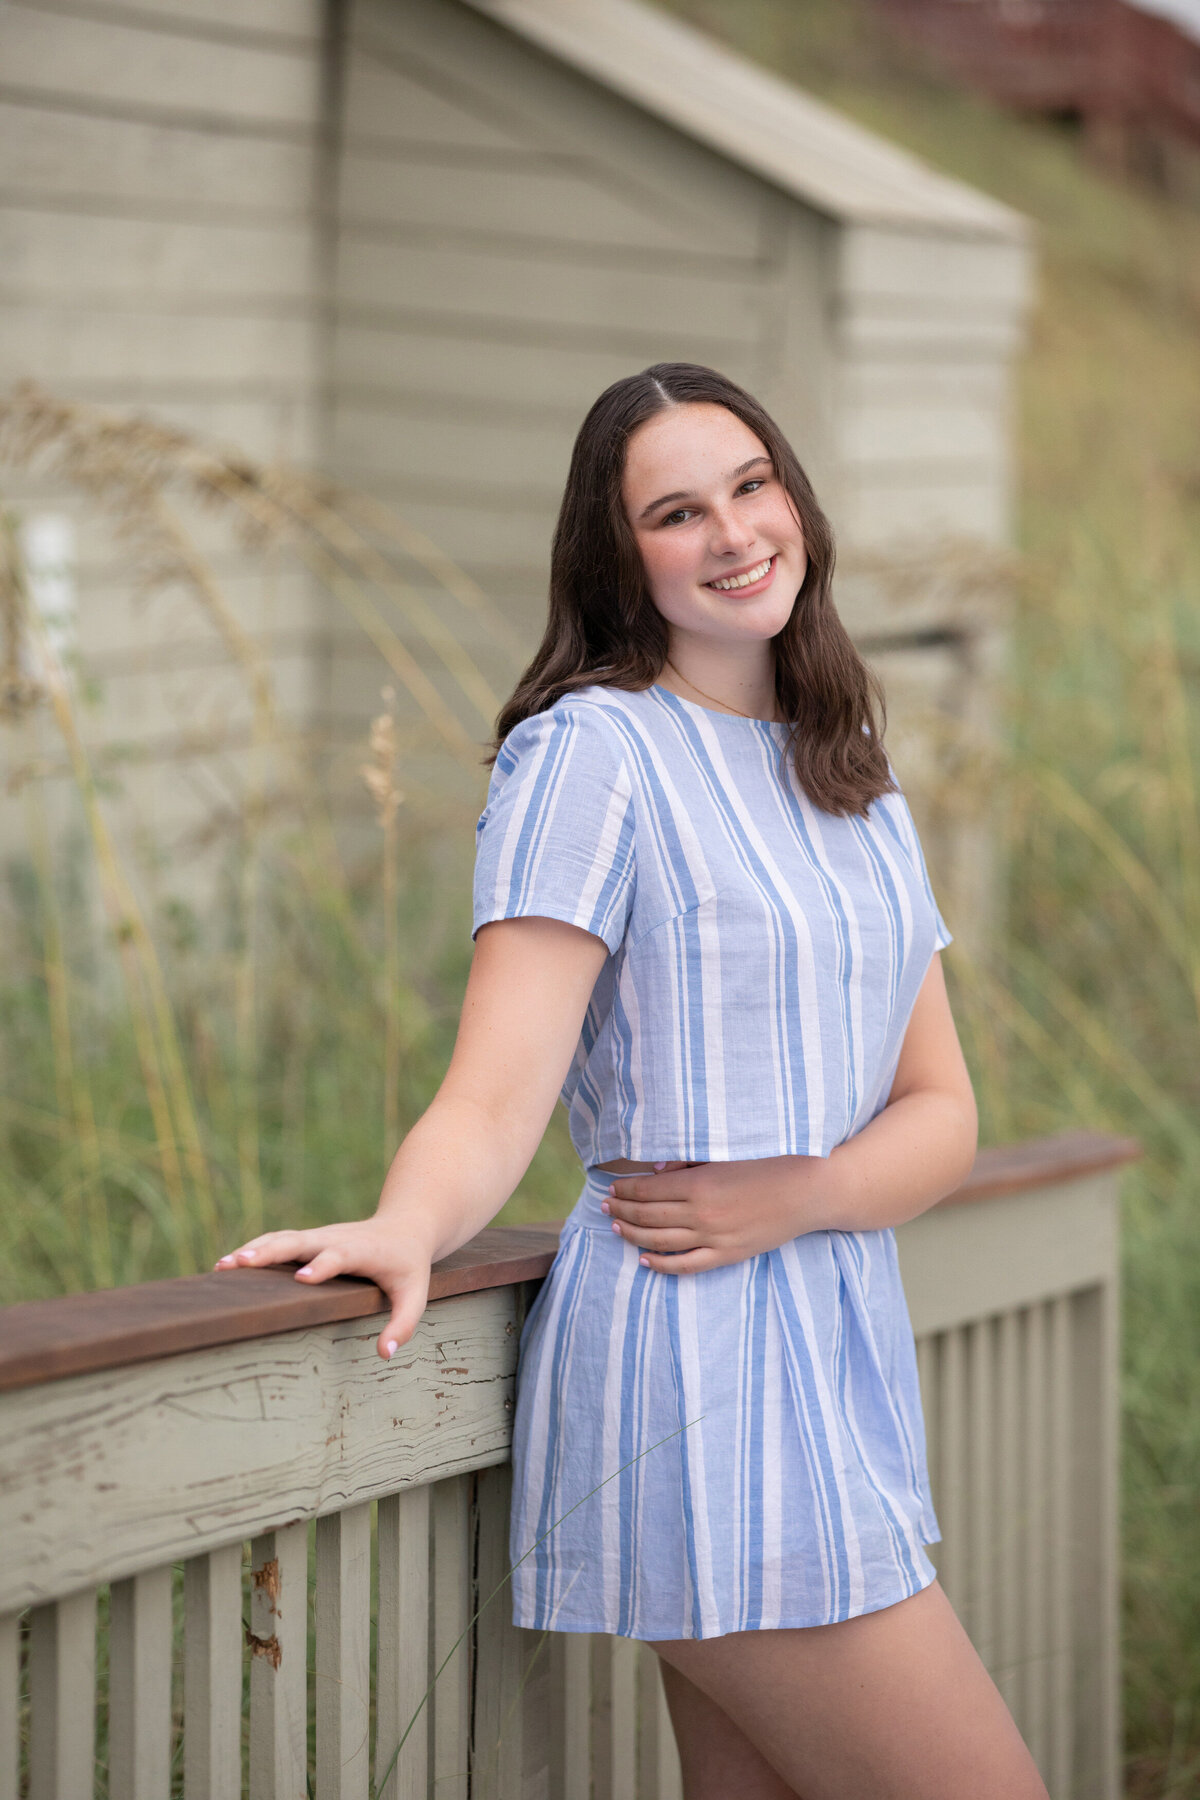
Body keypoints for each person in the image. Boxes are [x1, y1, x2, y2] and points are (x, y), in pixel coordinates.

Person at [216, 363, 1049, 1799]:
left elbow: (943, 1114)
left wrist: (803, 1195)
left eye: (750, 486)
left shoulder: (853, 775)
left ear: (794, 499)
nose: (731, 533)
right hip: (696, 1361)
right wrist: (405, 1229)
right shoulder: (589, 753)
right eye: (676, 512)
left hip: (833, 1351)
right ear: (623, 558)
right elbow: (495, 1091)